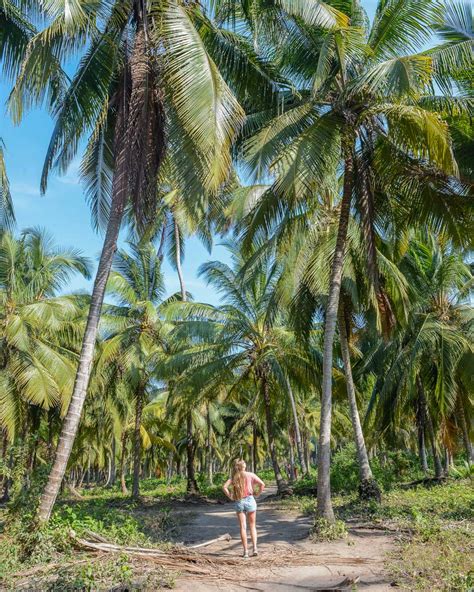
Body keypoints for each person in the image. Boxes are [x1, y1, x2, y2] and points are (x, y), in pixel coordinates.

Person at [223, 459, 265, 559]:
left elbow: (224, 487)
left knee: (243, 527)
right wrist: (258, 494)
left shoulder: (234, 476)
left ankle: (245, 552)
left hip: (239, 501)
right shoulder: (250, 474)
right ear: (244, 466)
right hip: (250, 500)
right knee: (252, 526)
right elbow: (262, 484)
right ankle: (255, 548)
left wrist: (230, 496)